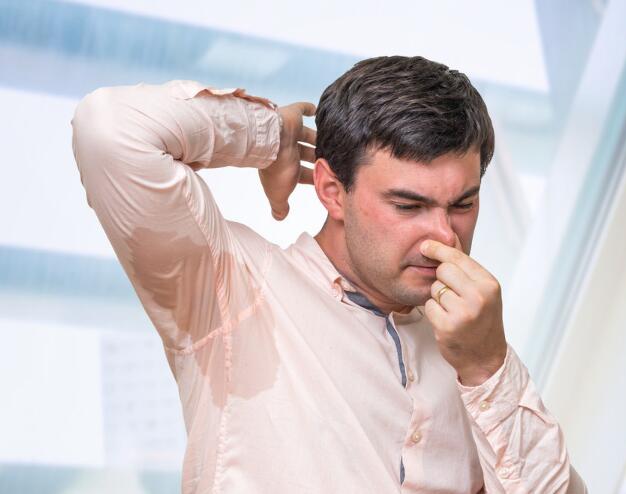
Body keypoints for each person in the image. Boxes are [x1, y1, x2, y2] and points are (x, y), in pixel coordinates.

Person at [71, 55, 587, 493]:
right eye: (408, 206)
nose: (445, 237)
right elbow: (110, 131)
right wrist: (269, 136)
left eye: (463, 204)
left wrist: (488, 368)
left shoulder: (473, 350)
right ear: (331, 191)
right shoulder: (234, 290)